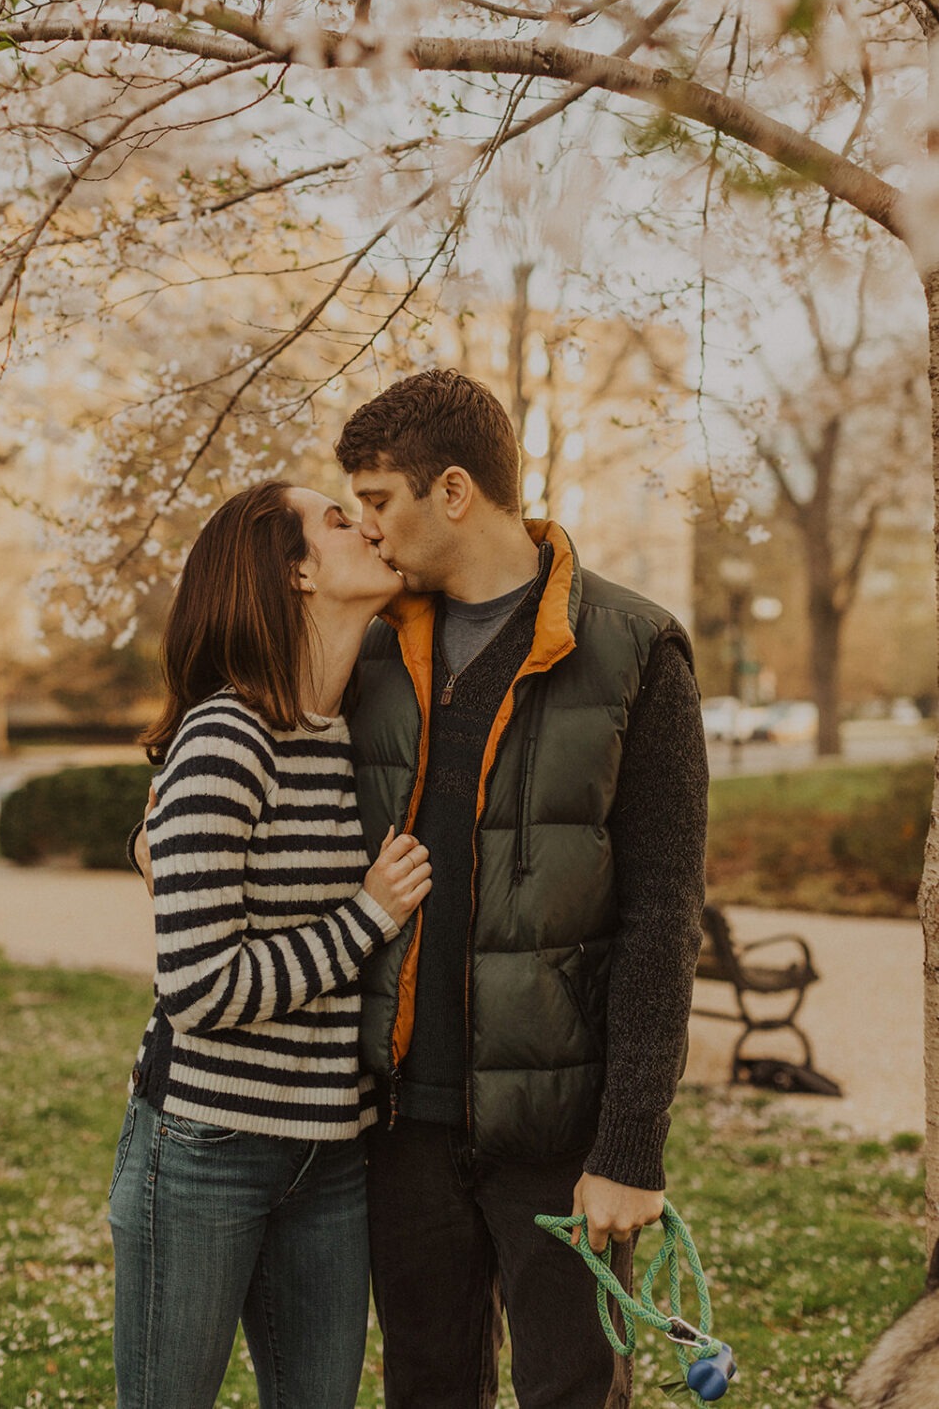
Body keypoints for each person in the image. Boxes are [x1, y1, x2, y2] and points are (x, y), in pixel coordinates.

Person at [333, 368, 709, 1409]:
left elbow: (663, 914)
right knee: (427, 1390)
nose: (367, 531)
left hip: (560, 1139)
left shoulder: (634, 648)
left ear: (451, 491)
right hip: (401, 1128)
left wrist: (630, 1144)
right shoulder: (363, 643)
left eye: (378, 500)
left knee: (572, 1396)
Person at [110, 479, 431, 1409]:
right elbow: (200, 988)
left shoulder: (356, 728)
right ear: (294, 572)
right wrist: (365, 917)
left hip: (331, 1149)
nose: (366, 526)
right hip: (208, 1146)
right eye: (337, 519)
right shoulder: (228, 736)